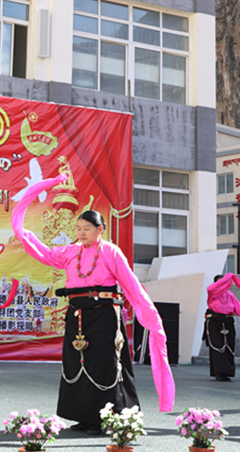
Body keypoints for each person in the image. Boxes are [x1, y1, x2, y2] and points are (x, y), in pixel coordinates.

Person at [12, 174, 175, 435]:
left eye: (86, 228)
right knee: (76, 362)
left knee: (103, 363)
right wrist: (22, 232)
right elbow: (43, 252)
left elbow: (131, 284)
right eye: (78, 228)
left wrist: (149, 314)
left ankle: (106, 418)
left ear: (100, 230)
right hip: (77, 314)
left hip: (104, 315)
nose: (80, 233)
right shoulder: (70, 252)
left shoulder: (110, 251)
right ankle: (83, 416)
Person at [204, 273, 240, 381]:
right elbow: (210, 288)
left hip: (228, 322)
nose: (222, 285)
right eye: (219, 283)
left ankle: (227, 372)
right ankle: (219, 372)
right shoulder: (212, 293)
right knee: (218, 346)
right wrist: (227, 277)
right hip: (215, 323)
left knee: (229, 347)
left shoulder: (230, 295)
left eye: (224, 283)